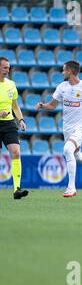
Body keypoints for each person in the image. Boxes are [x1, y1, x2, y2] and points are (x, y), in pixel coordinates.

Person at [35, 61, 82, 197]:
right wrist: (43, 106)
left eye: (64, 70)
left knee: (67, 150)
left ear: (70, 71)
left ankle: (71, 187)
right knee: (76, 156)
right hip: (68, 127)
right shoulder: (62, 87)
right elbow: (52, 106)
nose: (62, 72)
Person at [0, 56, 28, 199]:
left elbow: (15, 105)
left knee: (16, 153)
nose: (8, 70)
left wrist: (21, 119)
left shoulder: (11, 84)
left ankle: (17, 189)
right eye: (5, 67)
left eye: (9, 68)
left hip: (8, 122)